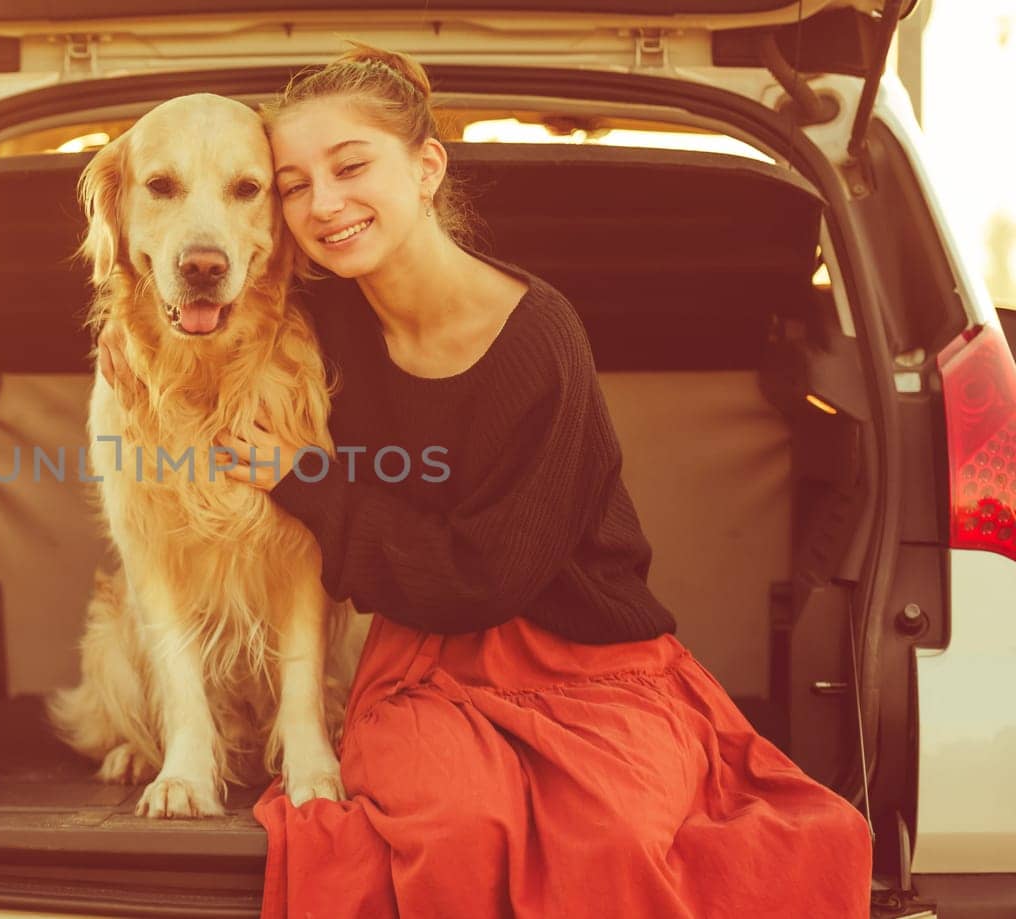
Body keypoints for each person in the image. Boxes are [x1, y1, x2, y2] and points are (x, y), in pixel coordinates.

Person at [97, 43, 874, 919]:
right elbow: (170, 327)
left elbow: (489, 575)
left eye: (351, 167)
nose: (325, 204)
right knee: (448, 828)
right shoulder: (309, 320)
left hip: (581, 663)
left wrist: (306, 481)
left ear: (428, 168)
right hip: (421, 663)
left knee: (613, 843)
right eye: (292, 184)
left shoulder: (539, 337)